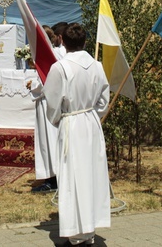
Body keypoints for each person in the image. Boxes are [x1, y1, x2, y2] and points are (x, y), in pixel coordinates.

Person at [43, 23, 111, 245]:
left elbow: (52, 103)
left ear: (63, 41)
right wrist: (92, 114)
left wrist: (58, 119)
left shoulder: (60, 68)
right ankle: (87, 231)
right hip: (90, 122)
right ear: (85, 42)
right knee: (90, 174)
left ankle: (77, 234)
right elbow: (103, 100)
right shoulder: (97, 66)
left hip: (71, 122)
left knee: (73, 176)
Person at [28, 25, 59, 193]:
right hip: (49, 102)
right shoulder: (57, 53)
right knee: (50, 140)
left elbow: (44, 80)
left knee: (49, 140)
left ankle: (52, 178)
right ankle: (51, 176)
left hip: (47, 102)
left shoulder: (50, 56)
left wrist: (31, 84)